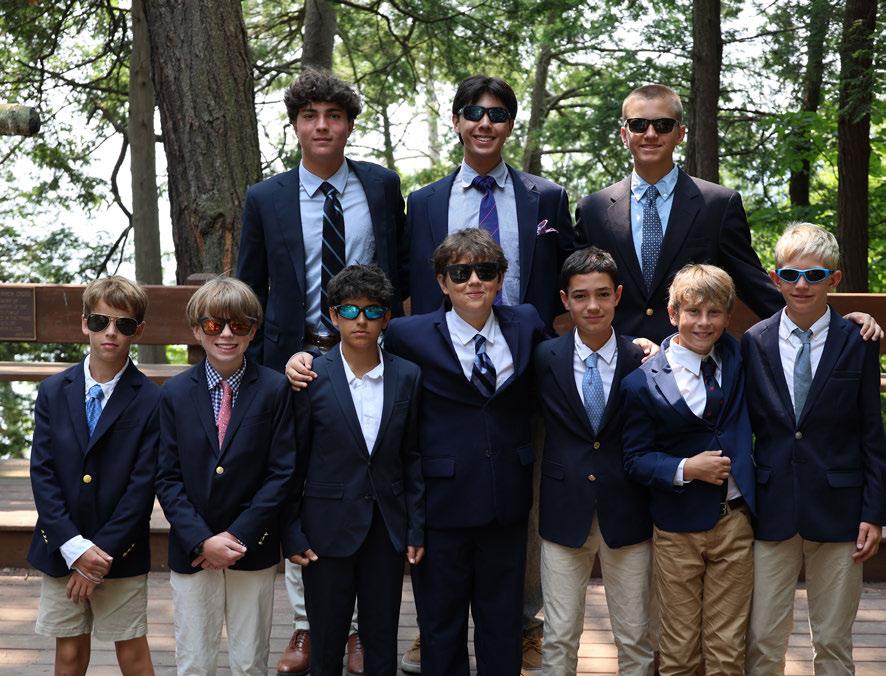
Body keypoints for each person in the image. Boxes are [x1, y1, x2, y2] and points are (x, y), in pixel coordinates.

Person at [403, 73, 574, 671]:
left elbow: (571, 278)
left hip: (521, 371)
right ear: (456, 121)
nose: (484, 122)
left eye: (497, 113)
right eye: (473, 112)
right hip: (444, 372)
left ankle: (521, 622)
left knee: (515, 505)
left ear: (510, 124)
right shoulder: (424, 202)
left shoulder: (546, 198)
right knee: (448, 544)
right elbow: (401, 283)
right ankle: (435, 633)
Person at [237, 68, 406, 673]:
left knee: (362, 473)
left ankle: (356, 631)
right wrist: (262, 368)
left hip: (366, 353)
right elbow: (250, 286)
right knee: (299, 480)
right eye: (310, 116)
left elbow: (397, 273)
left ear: (349, 125)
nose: (322, 127)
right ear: (295, 126)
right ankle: (309, 625)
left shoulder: (381, 186)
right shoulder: (267, 198)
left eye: (333, 116)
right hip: (297, 362)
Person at [382, 228, 547, 675]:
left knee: (503, 625)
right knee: (440, 627)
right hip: (442, 505)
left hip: (506, 501)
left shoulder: (526, 323)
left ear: (500, 279)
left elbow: (565, 359)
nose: (474, 281)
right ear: (442, 282)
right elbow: (360, 362)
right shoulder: (407, 335)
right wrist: (301, 360)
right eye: (460, 273)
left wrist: (645, 345)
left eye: (485, 271)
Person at [743, 223, 886, 675]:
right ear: (775, 278)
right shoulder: (754, 342)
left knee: (833, 641)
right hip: (772, 508)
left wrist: (874, 512)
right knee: (763, 639)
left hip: (840, 509)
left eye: (814, 275)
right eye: (790, 274)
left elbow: (872, 433)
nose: (801, 285)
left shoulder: (858, 342)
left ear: (834, 279)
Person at [283, 265, 425, 675]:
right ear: (333, 315)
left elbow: (413, 456)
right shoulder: (311, 377)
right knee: (326, 644)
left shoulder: (407, 376)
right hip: (324, 530)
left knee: (381, 640)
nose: (360, 320)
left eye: (372, 310)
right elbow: (293, 459)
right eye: (349, 310)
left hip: (386, 527)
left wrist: (416, 527)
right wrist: (291, 530)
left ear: (387, 318)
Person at [155, 277, 295, 675]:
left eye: (240, 325)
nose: (227, 334)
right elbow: (166, 477)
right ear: (197, 330)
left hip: (252, 546)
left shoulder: (274, 389)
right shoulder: (175, 394)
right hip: (193, 549)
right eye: (215, 325)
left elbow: (282, 471)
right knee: (194, 659)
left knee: (250, 660)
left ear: (253, 330)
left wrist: (238, 535)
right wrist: (202, 539)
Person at [621, 264, 755, 675]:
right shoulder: (642, 381)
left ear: (727, 317)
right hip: (677, 527)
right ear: (673, 313)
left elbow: (790, 330)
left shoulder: (737, 356)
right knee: (678, 649)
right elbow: (635, 458)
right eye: (693, 312)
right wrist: (685, 468)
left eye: (714, 313)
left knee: (727, 649)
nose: (703, 322)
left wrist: (854, 319)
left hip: (734, 521)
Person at [575, 84, 782, 343]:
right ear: (624, 134)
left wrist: (817, 326)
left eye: (663, 125)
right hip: (617, 355)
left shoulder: (718, 205)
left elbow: (753, 284)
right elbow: (573, 286)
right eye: (639, 125)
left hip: (691, 355)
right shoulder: (593, 210)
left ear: (680, 133)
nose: (651, 134)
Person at [28, 275, 159, 676]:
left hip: (119, 550)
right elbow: (43, 473)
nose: (111, 332)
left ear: (138, 331)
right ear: (85, 323)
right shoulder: (53, 391)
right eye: (101, 321)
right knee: (68, 654)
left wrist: (98, 556)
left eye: (123, 324)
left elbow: (142, 486)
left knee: (132, 654)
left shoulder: (151, 400)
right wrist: (74, 549)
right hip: (61, 546)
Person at [535, 248, 654, 675]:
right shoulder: (544, 358)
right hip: (564, 507)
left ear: (617, 295)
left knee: (635, 635)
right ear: (565, 300)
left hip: (626, 508)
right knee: (560, 633)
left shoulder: (642, 359)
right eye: (581, 296)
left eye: (603, 294)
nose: (593, 306)